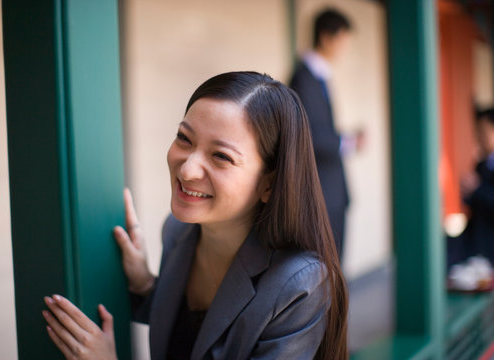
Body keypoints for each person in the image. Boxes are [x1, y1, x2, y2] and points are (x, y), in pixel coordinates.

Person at [41, 72, 348, 359]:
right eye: (184, 139)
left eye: (221, 156)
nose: (186, 170)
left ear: (269, 183)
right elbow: (198, 332)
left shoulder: (300, 285)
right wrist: (143, 285)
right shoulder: (177, 231)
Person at [289, 9, 364, 259]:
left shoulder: (318, 76)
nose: (344, 48)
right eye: (342, 40)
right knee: (322, 270)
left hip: (332, 190)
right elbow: (306, 135)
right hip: (319, 192)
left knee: (333, 269)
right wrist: (347, 142)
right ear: (326, 37)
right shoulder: (303, 78)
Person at [448, 108, 494, 266]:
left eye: (484, 131)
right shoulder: (481, 164)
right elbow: (473, 203)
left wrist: (478, 189)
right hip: (476, 239)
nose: (479, 137)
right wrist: (467, 192)